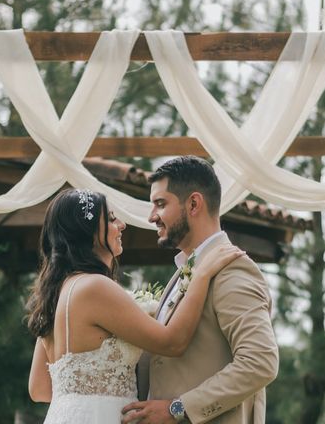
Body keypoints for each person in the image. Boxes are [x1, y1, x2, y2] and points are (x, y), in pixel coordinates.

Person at [26, 188, 245, 424]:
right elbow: (172, 342)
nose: (121, 224)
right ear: (87, 231)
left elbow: (40, 389)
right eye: (110, 219)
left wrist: (85, 394)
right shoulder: (94, 287)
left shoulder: (57, 292)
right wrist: (201, 276)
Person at [123, 156, 279, 424]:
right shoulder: (187, 270)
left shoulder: (232, 270)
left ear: (194, 203)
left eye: (160, 204)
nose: (152, 217)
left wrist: (177, 409)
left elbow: (260, 361)